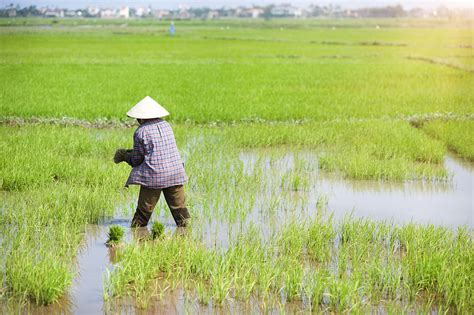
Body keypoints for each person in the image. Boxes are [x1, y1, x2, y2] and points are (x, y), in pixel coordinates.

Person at [114, 96, 190, 228]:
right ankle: (186, 238)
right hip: (175, 173)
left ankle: (137, 237)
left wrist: (125, 156)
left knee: (142, 216)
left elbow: (137, 160)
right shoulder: (167, 125)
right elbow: (159, 149)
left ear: (141, 118)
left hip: (155, 175)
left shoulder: (140, 132)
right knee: (181, 215)